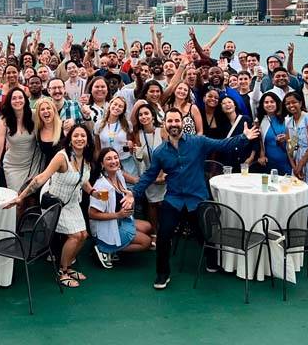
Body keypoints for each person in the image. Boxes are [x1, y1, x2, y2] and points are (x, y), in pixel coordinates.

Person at [134, 108, 260, 289]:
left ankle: (211, 260)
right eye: (170, 121)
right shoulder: (160, 152)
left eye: (177, 121)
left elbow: (223, 145)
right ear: (165, 125)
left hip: (197, 198)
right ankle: (162, 274)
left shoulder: (198, 142)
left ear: (183, 123)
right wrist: (134, 193)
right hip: (174, 199)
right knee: (163, 236)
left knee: (204, 233)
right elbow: (149, 175)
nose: (174, 124)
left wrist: (244, 137)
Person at [6, 123, 96, 288]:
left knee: (83, 235)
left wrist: (93, 192)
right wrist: (21, 197)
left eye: (83, 136)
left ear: (88, 140)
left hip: (72, 203)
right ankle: (62, 272)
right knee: (75, 236)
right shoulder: (62, 157)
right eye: (75, 135)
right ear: (69, 140)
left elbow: (83, 180)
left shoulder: (85, 158)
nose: (79, 139)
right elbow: (40, 179)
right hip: (54, 203)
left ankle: (68, 267)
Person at [89, 147, 154, 268]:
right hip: (108, 225)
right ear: (102, 164)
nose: (113, 161)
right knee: (146, 242)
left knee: (148, 226)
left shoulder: (118, 175)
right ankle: (105, 249)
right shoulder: (102, 187)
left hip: (121, 220)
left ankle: (115, 246)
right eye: (108, 159)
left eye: (115, 157)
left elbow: (135, 185)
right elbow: (92, 214)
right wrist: (118, 215)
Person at [127, 103, 165, 236]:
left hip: (164, 174)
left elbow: (171, 153)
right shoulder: (137, 134)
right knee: (152, 204)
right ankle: (154, 233)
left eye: (146, 114)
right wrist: (134, 150)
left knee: (164, 204)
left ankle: (165, 233)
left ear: (153, 116)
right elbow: (138, 159)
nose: (144, 117)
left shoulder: (162, 131)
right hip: (149, 173)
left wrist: (163, 175)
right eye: (140, 115)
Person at [0, 88, 37, 191]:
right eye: (14, 98)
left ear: (25, 100)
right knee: (16, 198)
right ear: (9, 102)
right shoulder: (4, 119)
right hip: (13, 166)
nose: (17, 101)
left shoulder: (34, 115)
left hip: (33, 165)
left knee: (31, 199)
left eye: (20, 97)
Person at [256, 92, 293, 175]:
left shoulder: (287, 119)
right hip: (269, 164)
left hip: (287, 162)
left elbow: (295, 139)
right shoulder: (261, 121)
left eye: (272, 102)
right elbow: (260, 140)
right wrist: (262, 155)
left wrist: (287, 138)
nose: (269, 104)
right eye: (266, 102)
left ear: (277, 103)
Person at [96, 96, 134, 176]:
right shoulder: (99, 124)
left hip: (125, 162)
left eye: (120, 106)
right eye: (115, 104)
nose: (117, 107)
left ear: (123, 110)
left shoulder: (127, 125)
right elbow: (98, 148)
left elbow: (132, 144)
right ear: (110, 105)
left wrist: (131, 145)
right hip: (108, 163)